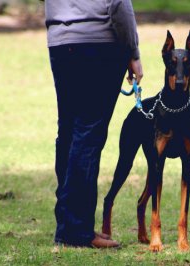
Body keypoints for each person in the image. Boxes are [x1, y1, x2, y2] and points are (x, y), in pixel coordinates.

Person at [44, 0, 143, 248]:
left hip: (60, 42)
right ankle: (76, 231)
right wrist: (133, 52)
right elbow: (119, 5)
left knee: (68, 132)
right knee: (88, 134)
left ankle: (68, 225)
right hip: (99, 43)